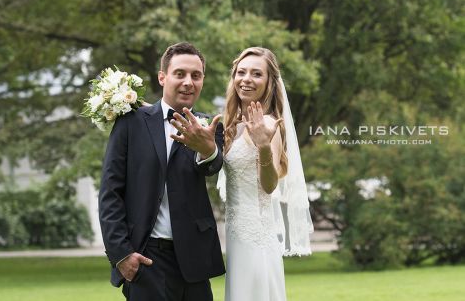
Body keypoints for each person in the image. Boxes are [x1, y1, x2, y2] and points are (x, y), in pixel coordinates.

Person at [99, 42, 225, 301]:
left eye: (196, 75)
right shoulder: (130, 123)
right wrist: (121, 254)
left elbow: (212, 165)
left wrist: (207, 148)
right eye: (180, 73)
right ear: (162, 77)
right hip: (146, 257)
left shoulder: (209, 127)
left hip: (194, 258)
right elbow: (110, 193)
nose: (188, 82)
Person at [218, 47, 313, 301]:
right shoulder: (231, 126)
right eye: (241, 72)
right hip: (236, 237)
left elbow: (269, 185)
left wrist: (262, 146)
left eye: (256, 74)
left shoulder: (270, 125)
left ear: (269, 82)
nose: (246, 79)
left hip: (256, 239)